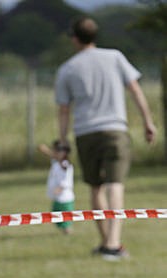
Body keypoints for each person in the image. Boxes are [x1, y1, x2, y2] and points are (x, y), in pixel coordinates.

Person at [55, 16, 157, 260]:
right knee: (115, 185)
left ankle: (106, 242)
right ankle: (112, 243)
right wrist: (147, 121)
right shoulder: (115, 57)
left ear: (75, 38)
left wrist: (62, 142)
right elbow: (135, 89)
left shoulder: (68, 68)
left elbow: (64, 110)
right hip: (115, 130)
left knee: (95, 187)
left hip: (86, 133)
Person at [38, 140, 75, 234]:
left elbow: (65, 180)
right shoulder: (57, 162)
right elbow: (52, 156)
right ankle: (64, 232)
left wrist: (59, 189)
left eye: (57, 151)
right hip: (58, 198)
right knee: (56, 217)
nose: (54, 153)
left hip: (64, 198)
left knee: (65, 221)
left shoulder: (65, 164)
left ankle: (68, 233)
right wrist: (45, 150)